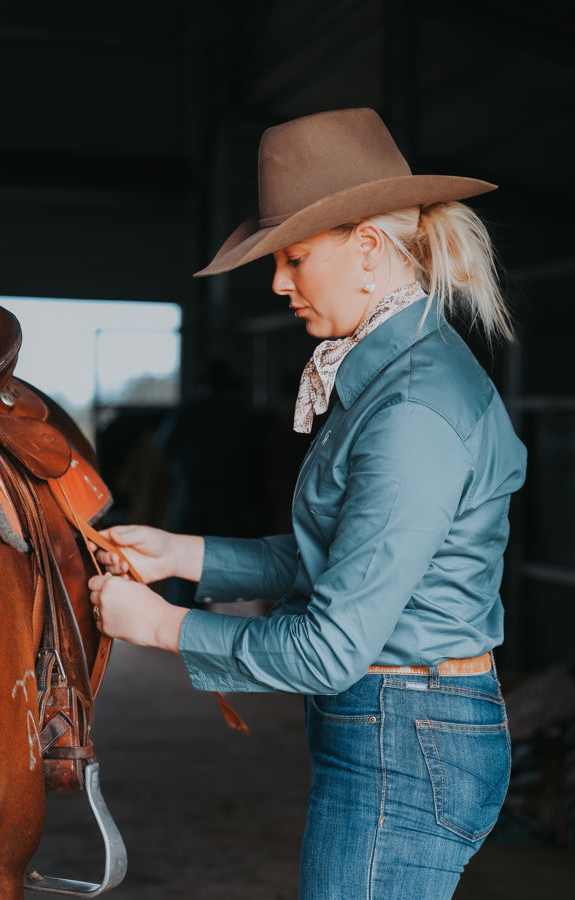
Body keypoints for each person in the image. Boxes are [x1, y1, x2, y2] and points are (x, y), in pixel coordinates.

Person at [89, 108, 527, 899]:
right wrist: (182, 554)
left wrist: (163, 626)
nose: (277, 284)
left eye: (294, 258)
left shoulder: (410, 412)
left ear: (367, 250)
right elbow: (331, 560)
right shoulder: (392, 380)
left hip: (403, 729)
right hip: (402, 720)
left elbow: (329, 649)